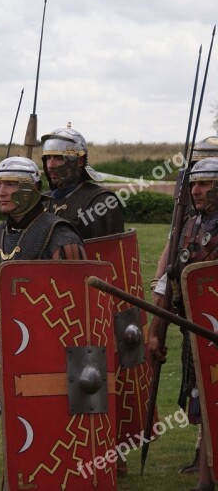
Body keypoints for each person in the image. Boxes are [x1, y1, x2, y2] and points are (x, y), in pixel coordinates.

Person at [0, 156, 85, 373]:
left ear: (34, 188)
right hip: (13, 350)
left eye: (11, 184)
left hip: (56, 355)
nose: (1, 192)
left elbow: (77, 307)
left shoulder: (59, 235)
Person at [149, 157, 218, 491]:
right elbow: (170, 280)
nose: (196, 190)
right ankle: (205, 478)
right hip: (195, 333)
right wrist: (155, 329)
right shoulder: (190, 225)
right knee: (206, 404)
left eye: (204, 184)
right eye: (193, 184)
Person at [41, 124, 124, 239]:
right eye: (48, 158)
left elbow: (110, 252)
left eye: (59, 158)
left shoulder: (102, 202)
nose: (50, 165)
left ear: (79, 161)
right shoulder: (43, 201)